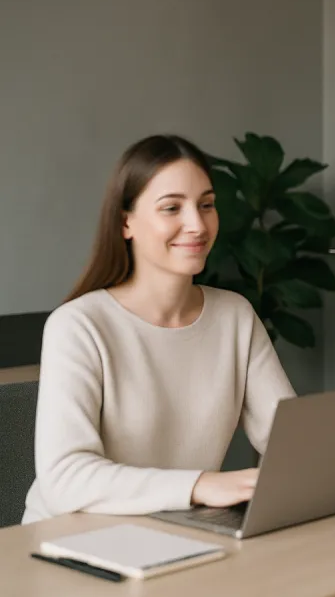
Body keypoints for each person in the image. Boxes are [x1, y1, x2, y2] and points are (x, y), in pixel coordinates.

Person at [22, 135, 296, 524]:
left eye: (206, 205)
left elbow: (290, 444)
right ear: (126, 222)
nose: (197, 224)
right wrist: (201, 485)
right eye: (172, 208)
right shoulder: (78, 326)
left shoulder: (235, 315)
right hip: (68, 541)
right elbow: (64, 479)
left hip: (176, 532)